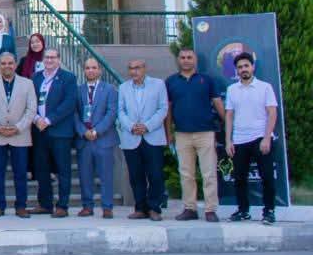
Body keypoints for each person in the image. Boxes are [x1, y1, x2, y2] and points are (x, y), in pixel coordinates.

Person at [166, 49, 224, 222]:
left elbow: (217, 103)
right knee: (186, 174)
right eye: (182, 57)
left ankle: (210, 210)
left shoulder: (207, 80)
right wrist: (168, 132)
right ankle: (189, 208)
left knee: (209, 173)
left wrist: (229, 124)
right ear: (178, 60)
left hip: (205, 133)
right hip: (182, 134)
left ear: (195, 60)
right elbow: (168, 109)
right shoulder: (171, 81)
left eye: (189, 57)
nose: (186, 60)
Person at [224, 51, 279, 225]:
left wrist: (266, 138)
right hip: (239, 140)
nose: (243, 69)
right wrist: (228, 140)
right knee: (239, 179)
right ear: (236, 71)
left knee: (267, 177)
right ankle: (243, 211)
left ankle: (269, 211)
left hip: (260, 138)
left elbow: (272, 113)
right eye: (240, 67)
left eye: (246, 66)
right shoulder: (232, 90)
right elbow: (229, 116)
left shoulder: (265, 87)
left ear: (253, 67)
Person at [117, 58, 169, 221]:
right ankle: (140, 208)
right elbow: (120, 111)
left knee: (155, 175)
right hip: (131, 137)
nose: (134, 71)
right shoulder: (123, 87)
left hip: (152, 136)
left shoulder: (158, 84)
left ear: (144, 68)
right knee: (135, 176)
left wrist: (147, 126)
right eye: (131, 68)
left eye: (137, 68)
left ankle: (154, 208)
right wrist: (131, 126)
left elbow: (163, 108)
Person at [0, 51, 35, 218]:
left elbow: (31, 109)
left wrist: (18, 128)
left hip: (20, 135)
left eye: (10, 63)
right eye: (3, 63)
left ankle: (21, 206)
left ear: (15, 64)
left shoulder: (27, 83)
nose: (7, 66)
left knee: (20, 172)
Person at [32, 48, 80, 217]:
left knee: (63, 169)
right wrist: (36, 118)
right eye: (47, 57)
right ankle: (45, 204)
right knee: (42, 169)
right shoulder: (36, 77)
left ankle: (62, 206)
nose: (49, 60)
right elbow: (30, 101)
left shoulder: (68, 78)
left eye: (53, 57)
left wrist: (48, 120)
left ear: (58, 59)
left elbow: (69, 103)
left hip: (60, 131)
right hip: (39, 131)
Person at [75, 57, 118, 218]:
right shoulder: (78, 90)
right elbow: (74, 114)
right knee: (85, 175)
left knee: (106, 175)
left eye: (94, 68)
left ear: (99, 70)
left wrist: (97, 131)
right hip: (84, 140)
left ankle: (107, 207)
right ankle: (87, 206)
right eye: (87, 68)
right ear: (84, 71)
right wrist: (83, 131)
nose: (91, 70)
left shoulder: (110, 89)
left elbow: (111, 113)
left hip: (103, 139)